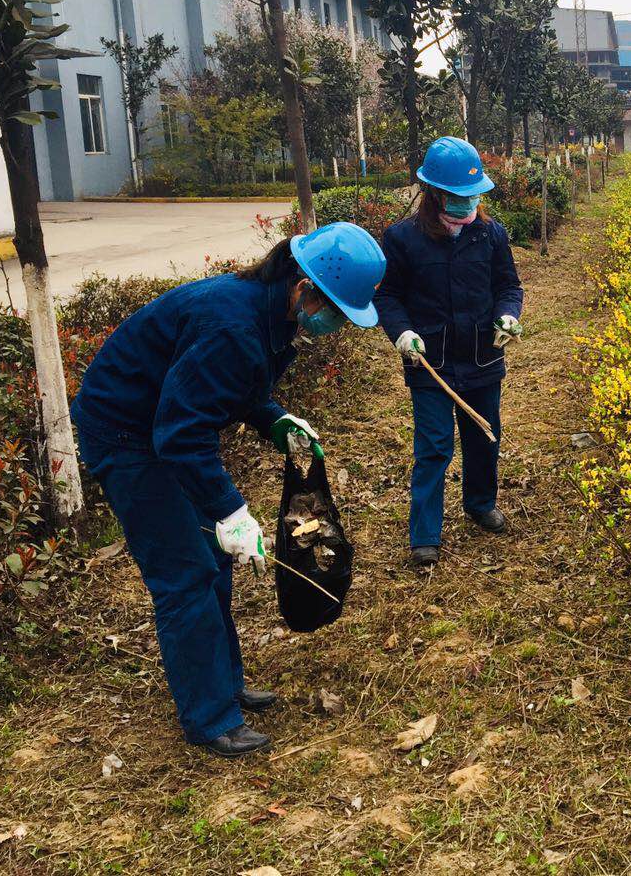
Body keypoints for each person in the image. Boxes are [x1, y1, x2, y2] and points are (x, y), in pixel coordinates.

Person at [70, 222, 386, 757]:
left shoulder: (273, 318)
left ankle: (224, 684)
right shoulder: (233, 324)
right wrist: (231, 510)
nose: (334, 322)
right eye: (332, 308)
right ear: (303, 287)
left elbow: (235, 390)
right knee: (185, 575)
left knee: (214, 559)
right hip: (127, 435)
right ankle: (209, 717)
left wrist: (274, 419)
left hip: (162, 427)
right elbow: (181, 433)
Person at [374, 136, 524, 570]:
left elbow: (508, 286)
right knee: (434, 447)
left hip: (482, 358)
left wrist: (508, 316)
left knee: (483, 437)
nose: (468, 203)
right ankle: (424, 534)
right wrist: (401, 333)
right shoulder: (403, 239)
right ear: (435, 193)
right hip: (431, 364)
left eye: (474, 194)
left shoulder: (490, 235)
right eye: (459, 196)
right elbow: (389, 297)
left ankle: (480, 504)